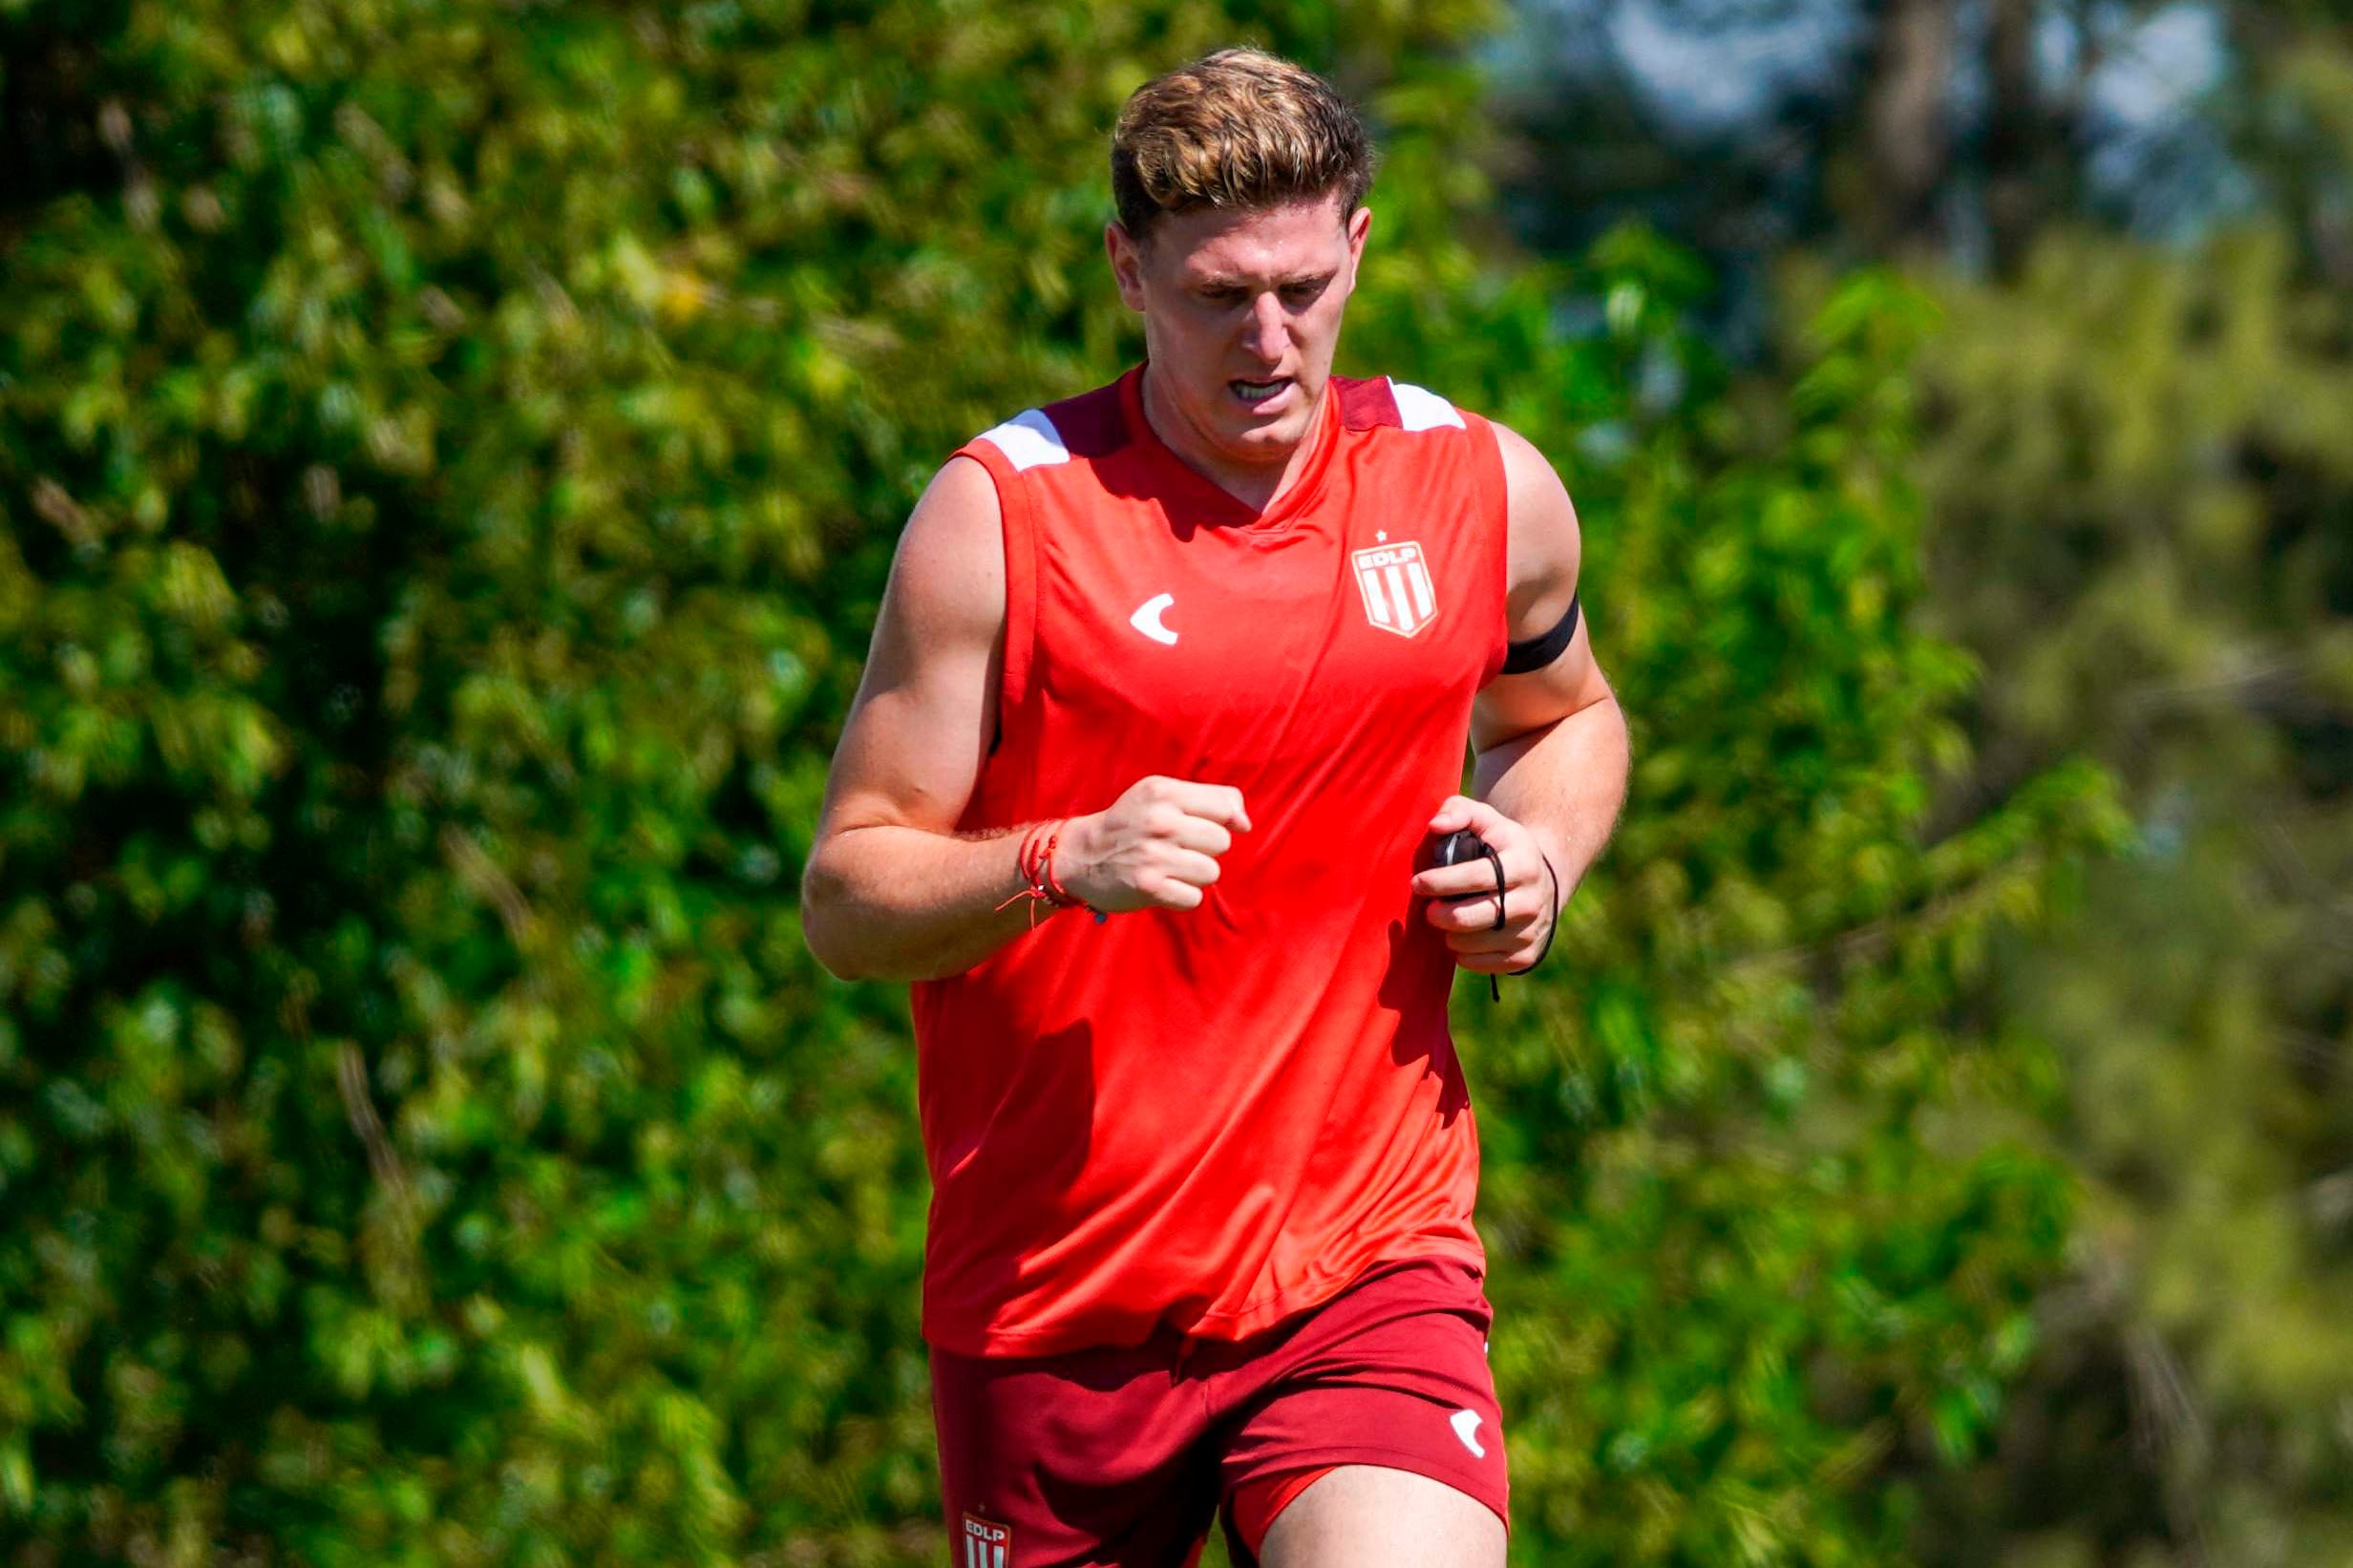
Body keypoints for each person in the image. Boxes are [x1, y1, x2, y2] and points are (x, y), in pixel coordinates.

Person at [801, 46, 1629, 1568]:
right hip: (1058, 1298)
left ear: (1360, 249)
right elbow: (847, 899)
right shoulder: (1007, 514)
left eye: (1305, 289)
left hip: (1367, 1260)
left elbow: (1567, 716)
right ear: (1128, 267)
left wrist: (1542, 857)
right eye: (1216, 295)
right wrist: (1061, 857)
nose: (1269, 340)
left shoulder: (1476, 486)